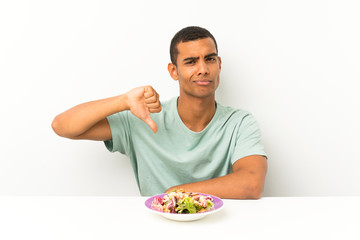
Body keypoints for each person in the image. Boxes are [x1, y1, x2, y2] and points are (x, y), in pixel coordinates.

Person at [52, 26, 267, 199]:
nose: (203, 69)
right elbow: (62, 126)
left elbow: (251, 183)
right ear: (174, 71)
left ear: (219, 64)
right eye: (191, 62)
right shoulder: (143, 117)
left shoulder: (239, 122)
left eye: (210, 59)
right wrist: (123, 101)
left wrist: (176, 193)